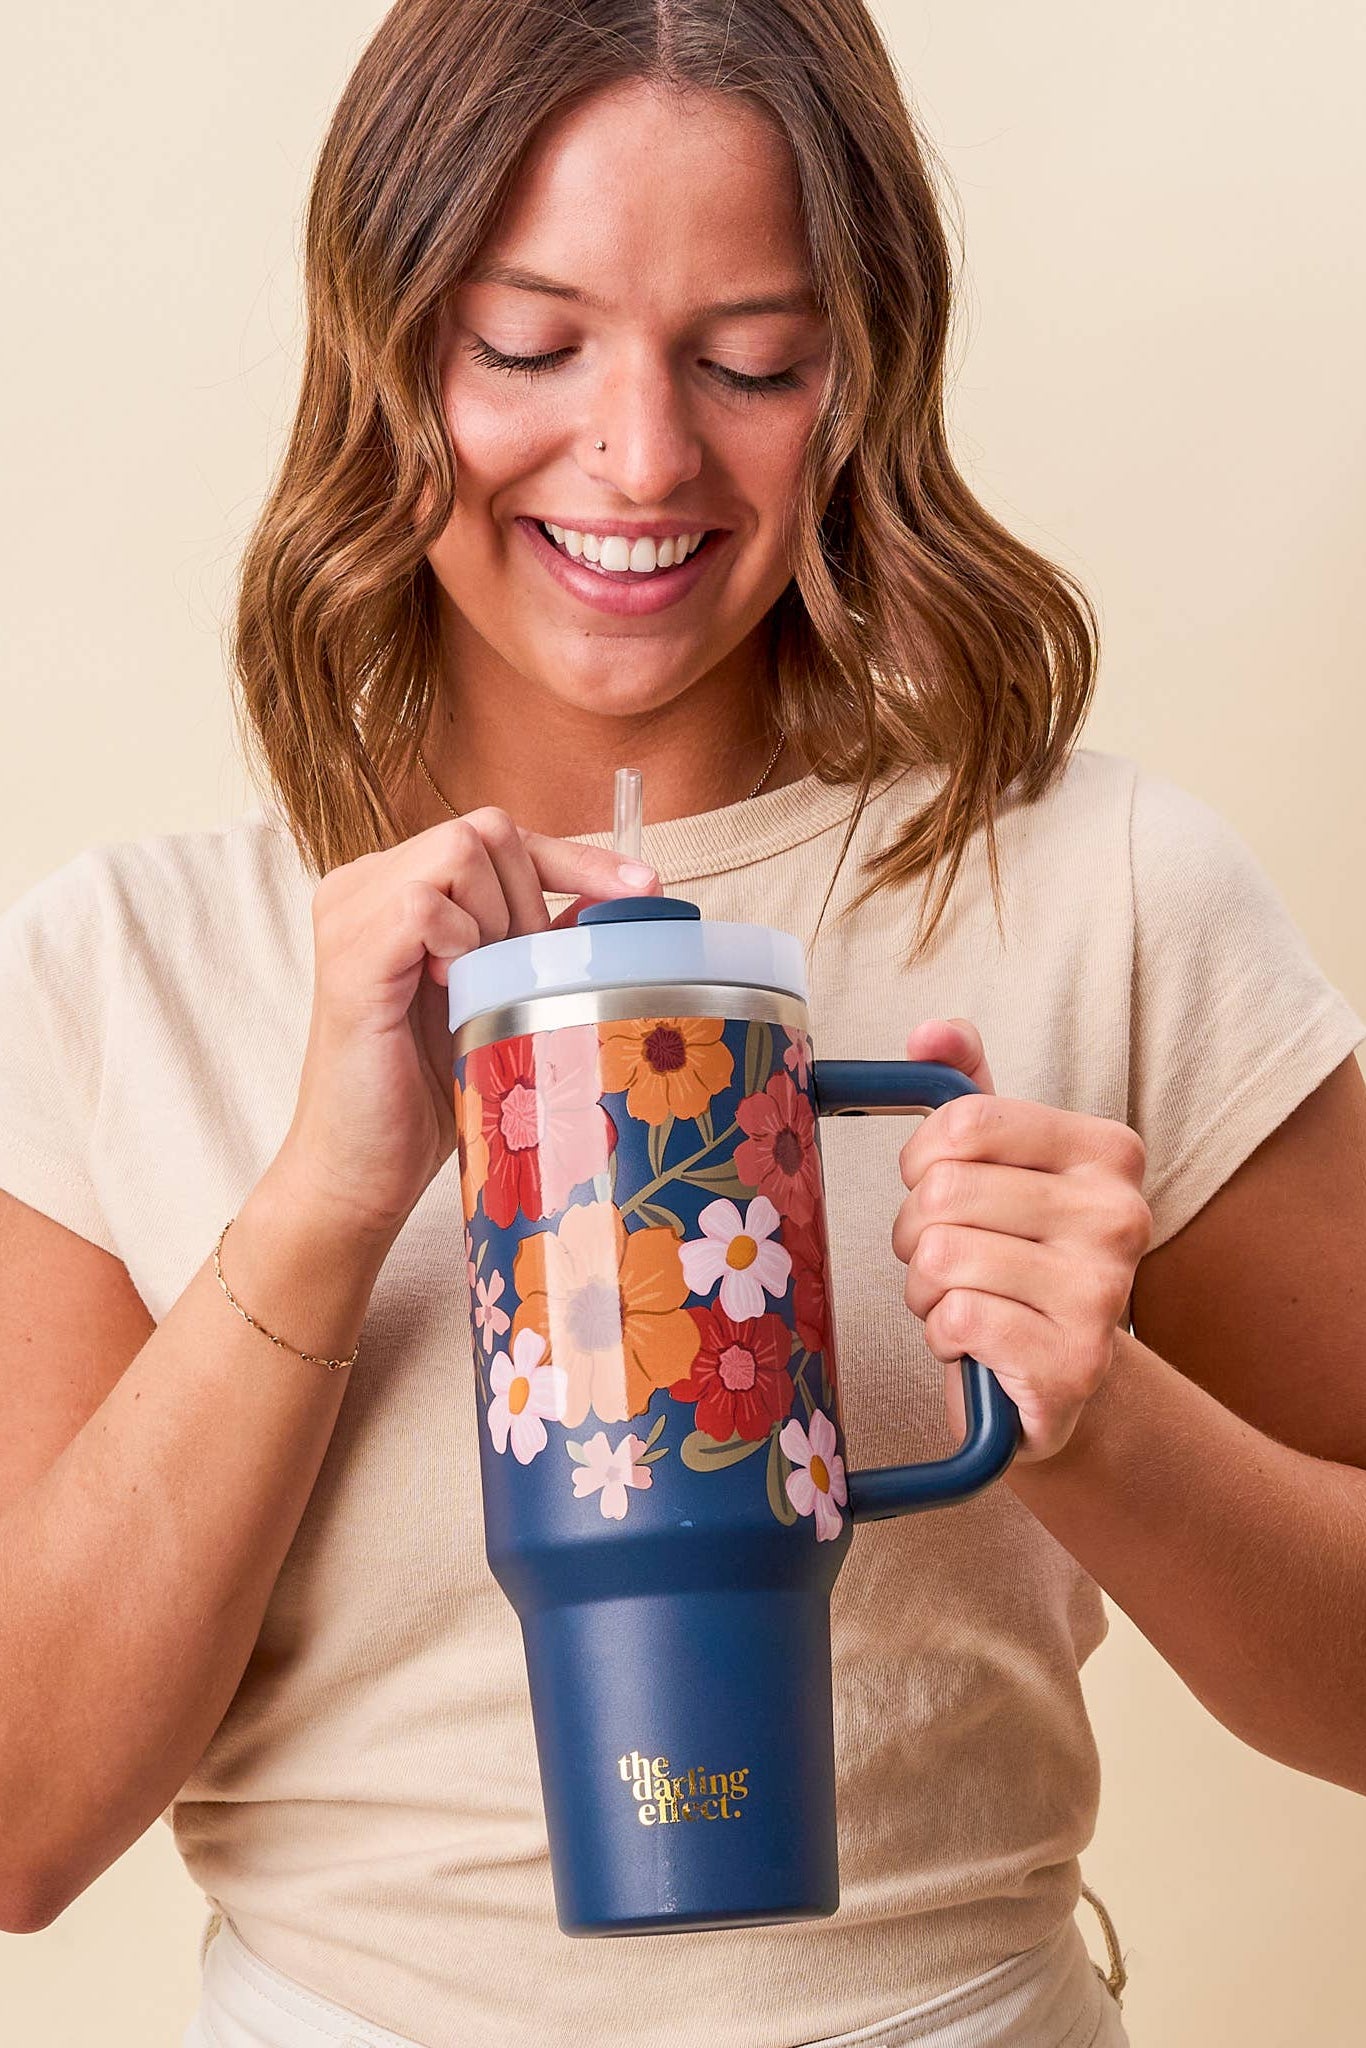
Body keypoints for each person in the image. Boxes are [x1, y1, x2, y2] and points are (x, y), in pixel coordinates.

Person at [1, 1, 1363, 2044]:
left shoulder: (1105, 897)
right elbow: (16, 1824)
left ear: (861, 377)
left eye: (749, 361)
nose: (640, 455)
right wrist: (319, 1206)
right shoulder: (128, 967)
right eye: (524, 344)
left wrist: (1102, 1428)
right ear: (383, 349)